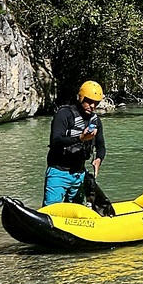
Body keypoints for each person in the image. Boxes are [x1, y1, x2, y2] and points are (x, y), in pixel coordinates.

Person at [45, 80, 110, 208]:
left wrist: (98, 159)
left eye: (96, 103)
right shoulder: (64, 114)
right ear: (81, 98)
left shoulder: (95, 121)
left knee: (78, 210)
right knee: (51, 210)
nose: (92, 106)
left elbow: (101, 146)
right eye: (89, 101)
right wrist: (80, 138)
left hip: (79, 174)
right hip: (58, 172)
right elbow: (55, 141)